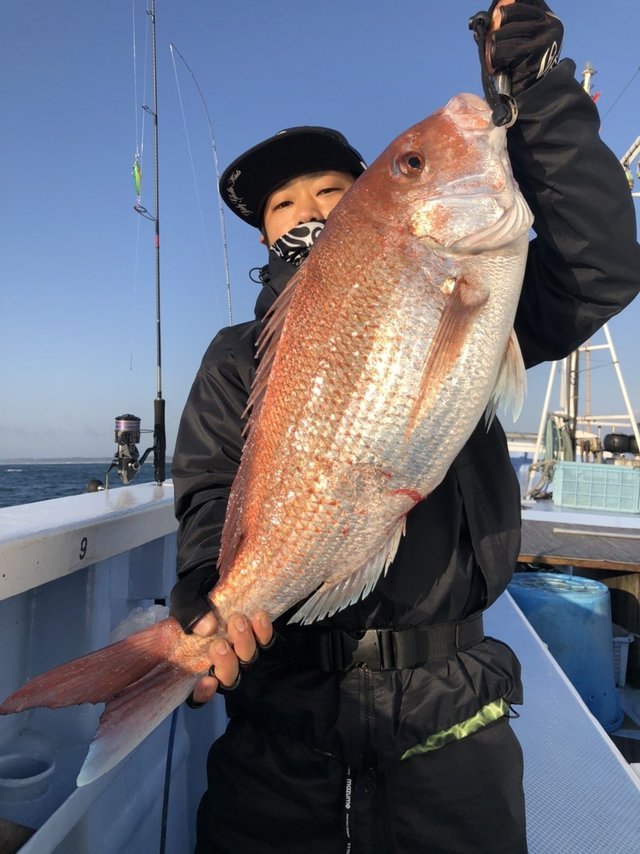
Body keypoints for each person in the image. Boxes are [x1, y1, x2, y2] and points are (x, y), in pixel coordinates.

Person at [170, 2, 640, 851]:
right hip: (282, 719)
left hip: (451, 707)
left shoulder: (481, 286)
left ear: (364, 208)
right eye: (280, 203)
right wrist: (212, 594)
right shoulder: (237, 355)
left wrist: (536, 94)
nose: (305, 207)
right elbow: (210, 485)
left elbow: (599, 264)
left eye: (330, 189)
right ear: (266, 232)